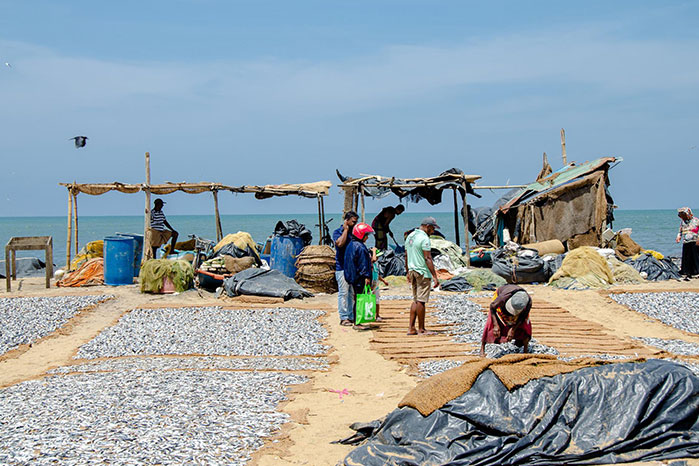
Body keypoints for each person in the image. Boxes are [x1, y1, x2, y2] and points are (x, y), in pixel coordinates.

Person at [405, 217, 440, 335]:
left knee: (415, 299)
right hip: (422, 271)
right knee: (421, 300)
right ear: (427, 226)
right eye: (432, 228)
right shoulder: (424, 238)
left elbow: (406, 255)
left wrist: (407, 271)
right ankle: (421, 328)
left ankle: (411, 328)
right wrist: (435, 276)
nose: (433, 231)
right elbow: (427, 258)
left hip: (412, 269)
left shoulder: (410, 236)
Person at [480, 285, 532, 357]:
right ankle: (482, 348)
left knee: (525, 326)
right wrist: (495, 325)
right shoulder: (502, 298)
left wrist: (513, 329)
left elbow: (523, 316)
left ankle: (525, 350)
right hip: (501, 299)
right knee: (490, 324)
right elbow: (492, 307)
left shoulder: (528, 301)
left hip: (520, 312)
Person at [344, 223, 374, 325]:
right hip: (359, 277)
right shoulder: (360, 247)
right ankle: (357, 322)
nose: (367, 237)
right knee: (359, 299)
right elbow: (363, 264)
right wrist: (367, 277)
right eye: (366, 235)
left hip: (352, 276)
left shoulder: (351, 245)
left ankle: (356, 320)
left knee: (356, 299)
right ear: (362, 235)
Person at [333, 211, 359, 326]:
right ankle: (344, 317)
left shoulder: (354, 233)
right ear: (346, 221)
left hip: (352, 268)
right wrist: (346, 230)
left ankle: (351, 315)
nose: (355, 224)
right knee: (343, 293)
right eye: (353, 222)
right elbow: (339, 244)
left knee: (351, 293)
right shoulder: (338, 232)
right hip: (342, 267)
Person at [676, 207, 699, 278]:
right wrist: (678, 237)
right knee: (686, 257)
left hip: (695, 241)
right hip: (686, 241)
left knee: (695, 257)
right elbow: (680, 231)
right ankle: (686, 272)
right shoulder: (683, 222)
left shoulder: (696, 220)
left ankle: (696, 272)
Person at [371, 247, 389, 322]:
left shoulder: (375, 265)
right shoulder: (370, 263)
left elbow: (377, 275)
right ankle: (370, 314)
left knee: (377, 300)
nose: (377, 258)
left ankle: (377, 314)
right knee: (370, 300)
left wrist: (383, 281)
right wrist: (374, 251)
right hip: (371, 284)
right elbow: (373, 259)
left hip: (376, 285)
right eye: (377, 256)